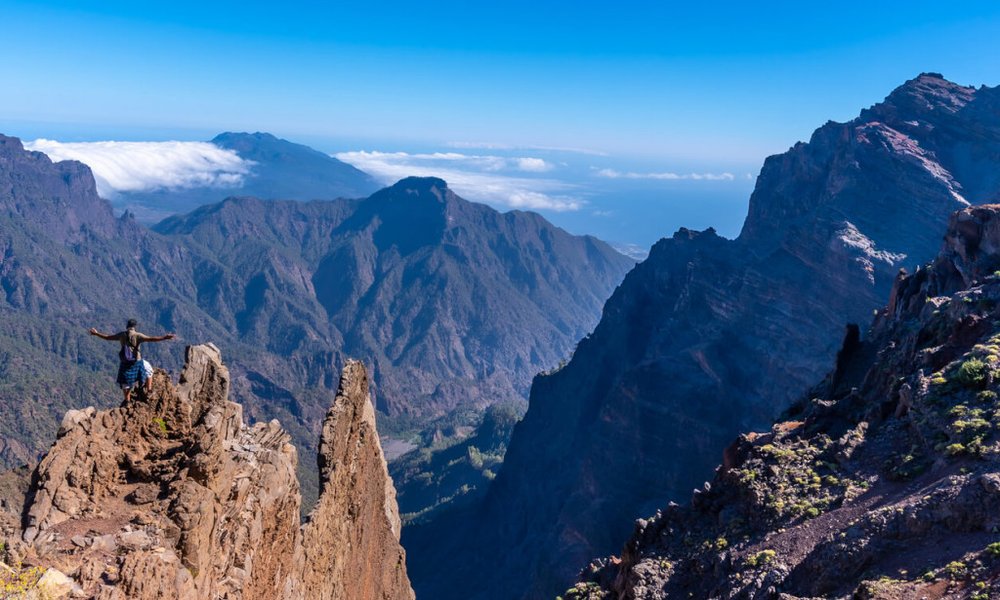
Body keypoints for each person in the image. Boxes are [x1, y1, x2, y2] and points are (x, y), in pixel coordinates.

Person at [89, 319, 176, 401]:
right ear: (135, 326)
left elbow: (108, 337)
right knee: (149, 370)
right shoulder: (138, 335)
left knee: (125, 383)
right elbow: (151, 339)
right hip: (136, 361)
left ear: (127, 326)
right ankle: (149, 390)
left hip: (125, 362)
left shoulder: (122, 335)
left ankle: (127, 400)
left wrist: (97, 333)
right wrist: (165, 337)